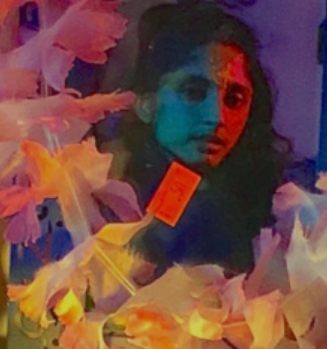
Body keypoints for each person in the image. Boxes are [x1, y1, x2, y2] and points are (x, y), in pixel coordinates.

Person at [113, 1, 289, 272]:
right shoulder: (108, 194)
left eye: (235, 99)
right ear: (146, 103)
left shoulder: (274, 202)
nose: (217, 117)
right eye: (193, 92)